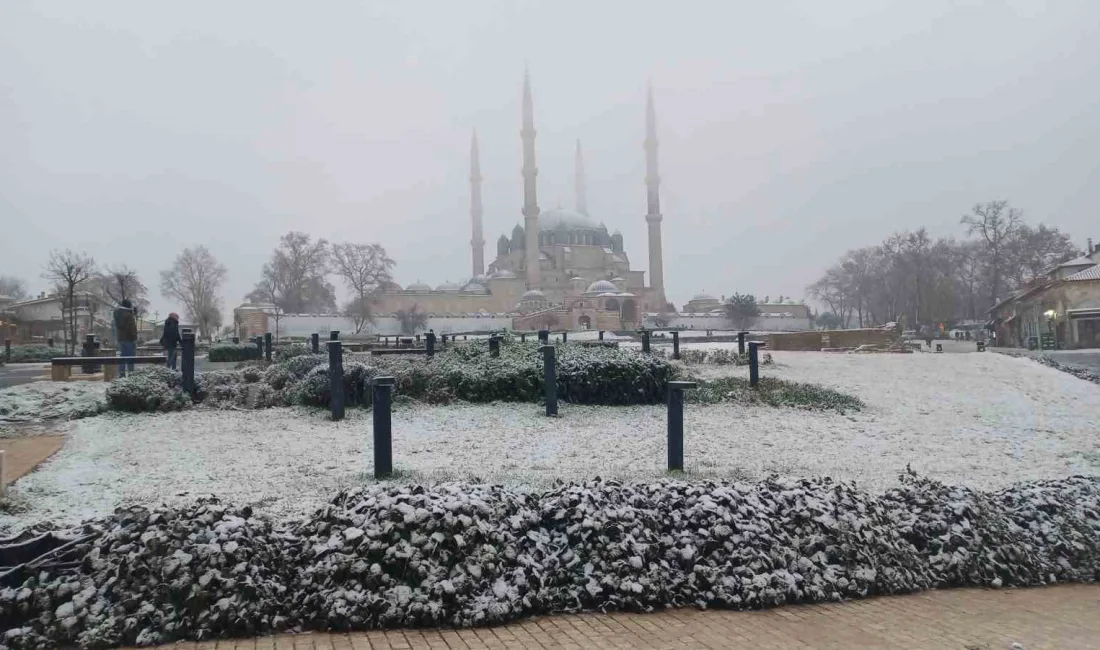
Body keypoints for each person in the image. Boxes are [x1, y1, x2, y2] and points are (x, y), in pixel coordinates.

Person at [115, 300, 138, 377]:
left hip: (121, 338)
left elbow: (122, 325)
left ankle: (122, 373)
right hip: (129, 339)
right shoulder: (128, 315)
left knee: (123, 357)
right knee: (130, 357)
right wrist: (134, 337)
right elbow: (130, 328)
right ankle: (131, 374)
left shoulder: (119, 313)